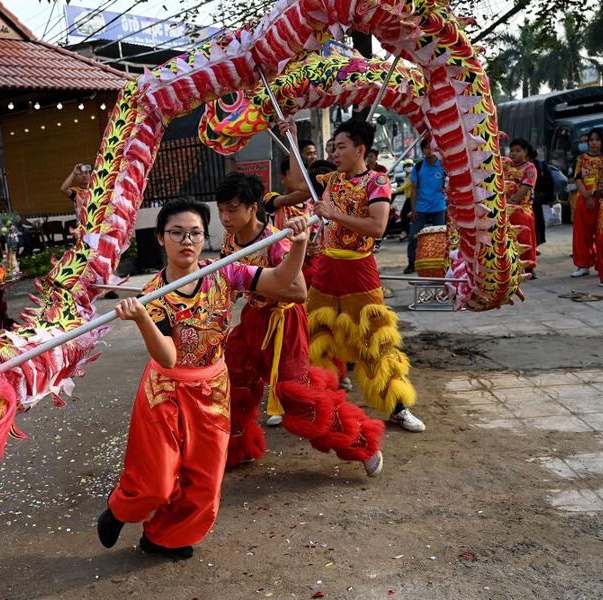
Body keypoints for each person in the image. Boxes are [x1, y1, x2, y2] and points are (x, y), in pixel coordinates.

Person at [97, 199, 310, 560]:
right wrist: (142, 319)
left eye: (195, 232)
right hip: (164, 390)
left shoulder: (226, 272)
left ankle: (163, 537)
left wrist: (300, 243)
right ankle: (120, 510)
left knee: (205, 479)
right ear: (161, 239)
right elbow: (168, 356)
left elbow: (280, 280)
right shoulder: (154, 295)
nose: (187, 240)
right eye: (176, 232)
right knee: (156, 480)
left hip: (212, 388)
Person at [217, 172, 384, 471]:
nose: (225, 217)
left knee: (298, 395)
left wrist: (250, 282)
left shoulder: (275, 242)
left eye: (232, 209)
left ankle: (361, 443)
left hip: (284, 325)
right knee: (233, 380)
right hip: (253, 319)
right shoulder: (229, 243)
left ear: (252, 208)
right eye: (221, 210)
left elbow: (298, 292)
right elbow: (227, 288)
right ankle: (239, 448)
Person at [285, 118, 425, 433]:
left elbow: (377, 227)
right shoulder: (330, 179)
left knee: (374, 340)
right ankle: (319, 405)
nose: (335, 152)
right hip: (326, 269)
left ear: (360, 149)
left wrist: (334, 213)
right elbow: (296, 184)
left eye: (341, 147)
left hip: (359, 270)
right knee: (316, 336)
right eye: (333, 147)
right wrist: (293, 137)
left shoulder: (377, 182)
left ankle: (397, 407)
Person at [404, 138, 446, 274]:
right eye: (426, 148)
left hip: (439, 207)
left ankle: (442, 263)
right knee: (412, 236)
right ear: (423, 150)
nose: (429, 151)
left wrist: (446, 190)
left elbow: (454, 181)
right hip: (420, 209)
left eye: (432, 148)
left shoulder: (444, 166)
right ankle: (411, 262)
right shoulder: (418, 167)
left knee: (441, 238)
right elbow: (414, 189)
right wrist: (413, 208)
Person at [502, 139, 539, 278]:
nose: (513, 154)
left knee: (524, 238)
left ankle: (529, 267)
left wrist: (513, 200)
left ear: (525, 152)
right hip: (505, 208)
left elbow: (526, 186)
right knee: (508, 238)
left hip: (522, 209)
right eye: (512, 150)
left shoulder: (530, 168)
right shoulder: (505, 167)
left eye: (518, 151)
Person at [570, 128, 603, 278]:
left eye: (597, 139)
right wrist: (586, 196)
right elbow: (577, 178)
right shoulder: (581, 159)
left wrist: (596, 196)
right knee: (581, 233)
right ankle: (583, 265)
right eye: (591, 140)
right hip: (583, 199)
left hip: (600, 199)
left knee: (600, 233)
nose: (594, 142)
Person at [263, 157, 311, 229]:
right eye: (295, 173)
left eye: (303, 173)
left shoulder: (311, 209)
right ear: (282, 178)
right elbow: (287, 200)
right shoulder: (270, 197)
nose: (301, 177)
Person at [527, 146, 555, 247]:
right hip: (526, 199)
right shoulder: (518, 166)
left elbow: (550, 182)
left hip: (538, 199)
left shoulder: (540, 165)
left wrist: (551, 199)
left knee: (537, 222)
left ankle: (535, 244)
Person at [398, 159, 415, 241]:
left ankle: (405, 232)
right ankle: (407, 232)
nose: (408, 167)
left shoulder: (411, 175)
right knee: (406, 215)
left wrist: (394, 190)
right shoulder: (407, 176)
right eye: (407, 166)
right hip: (409, 197)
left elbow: (405, 186)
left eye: (410, 165)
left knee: (403, 214)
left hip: (411, 198)